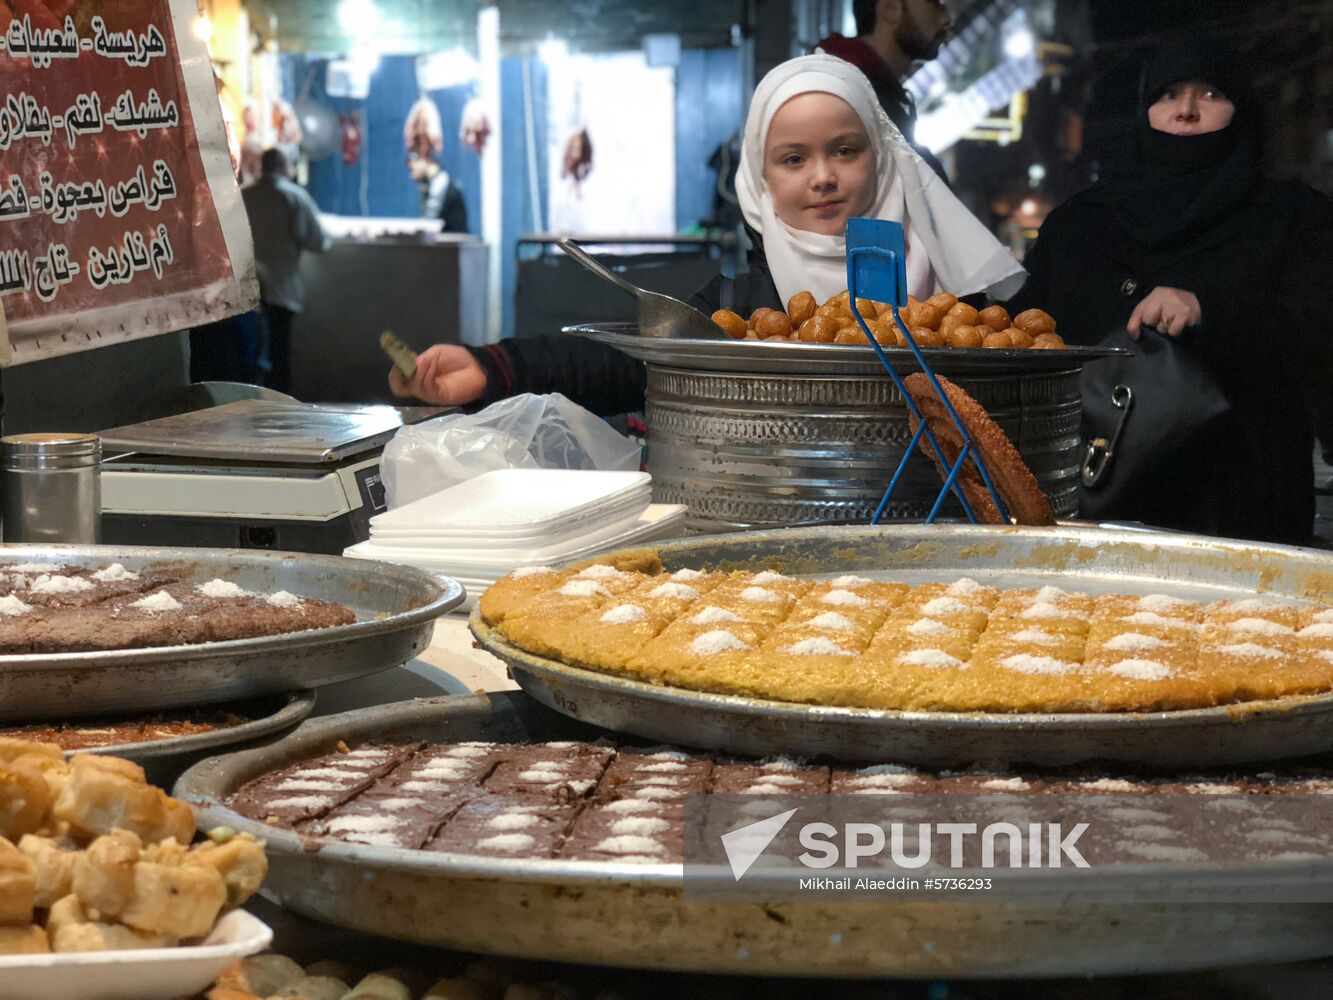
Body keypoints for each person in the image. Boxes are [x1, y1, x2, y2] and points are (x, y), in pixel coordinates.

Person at [389, 54, 1023, 414]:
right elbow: (626, 361)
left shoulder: (967, 302)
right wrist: (494, 368)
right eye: (794, 159)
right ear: (760, 180)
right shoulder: (740, 305)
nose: (823, 178)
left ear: (881, 160)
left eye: (845, 151)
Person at [1006, 34, 1333, 546]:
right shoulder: (1080, 225)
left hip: (1240, 515)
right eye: (1168, 95)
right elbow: (1025, 335)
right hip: (1094, 512)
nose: (1185, 112)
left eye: (1209, 95)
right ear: (1145, 111)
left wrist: (1208, 310)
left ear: (1241, 109)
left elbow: (1318, 330)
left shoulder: (1294, 218)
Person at [815, 0, 953, 182]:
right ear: (891, 8)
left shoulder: (871, 92)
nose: (946, 19)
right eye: (935, 4)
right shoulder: (846, 98)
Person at [242, 148, 328, 394]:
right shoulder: (294, 197)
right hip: (282, 288)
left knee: (250, 353)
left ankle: (252, 402)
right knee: (279, 355)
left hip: (248, 289)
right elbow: (318, 241)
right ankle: (280, 405)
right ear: (284, 167)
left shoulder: (242, 196)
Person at [409, 154, 469, 234]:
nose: (412, 176)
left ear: (424, 160)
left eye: (412, 169)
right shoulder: (435, 183)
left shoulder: (441, 183)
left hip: (453, 244)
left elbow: (428, 223)